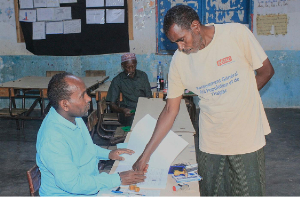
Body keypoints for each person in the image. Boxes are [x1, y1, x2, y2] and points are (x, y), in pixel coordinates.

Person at [132, 5, 275, 196]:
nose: (180, 47)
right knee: (211, 192)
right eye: (175, 43)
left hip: (246, 137)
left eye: (181, 39)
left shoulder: (236, 35)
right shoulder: (179, 61)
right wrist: (145, 156)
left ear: (195, 26)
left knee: (249, 192)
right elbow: (170, 110)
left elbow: (266, 71)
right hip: (211, 141)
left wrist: (241, 96)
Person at [36, 72, 145, 196]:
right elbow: (74, 184)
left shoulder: (73, 117)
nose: (88, 98)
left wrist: (109, 153)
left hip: (89, 184)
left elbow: (86, 147)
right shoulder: (52, 139)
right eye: (82, 96)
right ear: (65, 104)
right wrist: (118, 179)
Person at [106, 53, 152, 126]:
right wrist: (122, 110)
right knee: (134, 120)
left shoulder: (143, 76)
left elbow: (149, 97)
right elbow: (112, 104)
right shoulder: (118, 80)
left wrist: (145, 109)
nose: (131, 70)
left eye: (133, 66)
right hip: (128, 112)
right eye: (128, 67)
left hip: (143, 109)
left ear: (136, 64)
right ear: (122, 66)